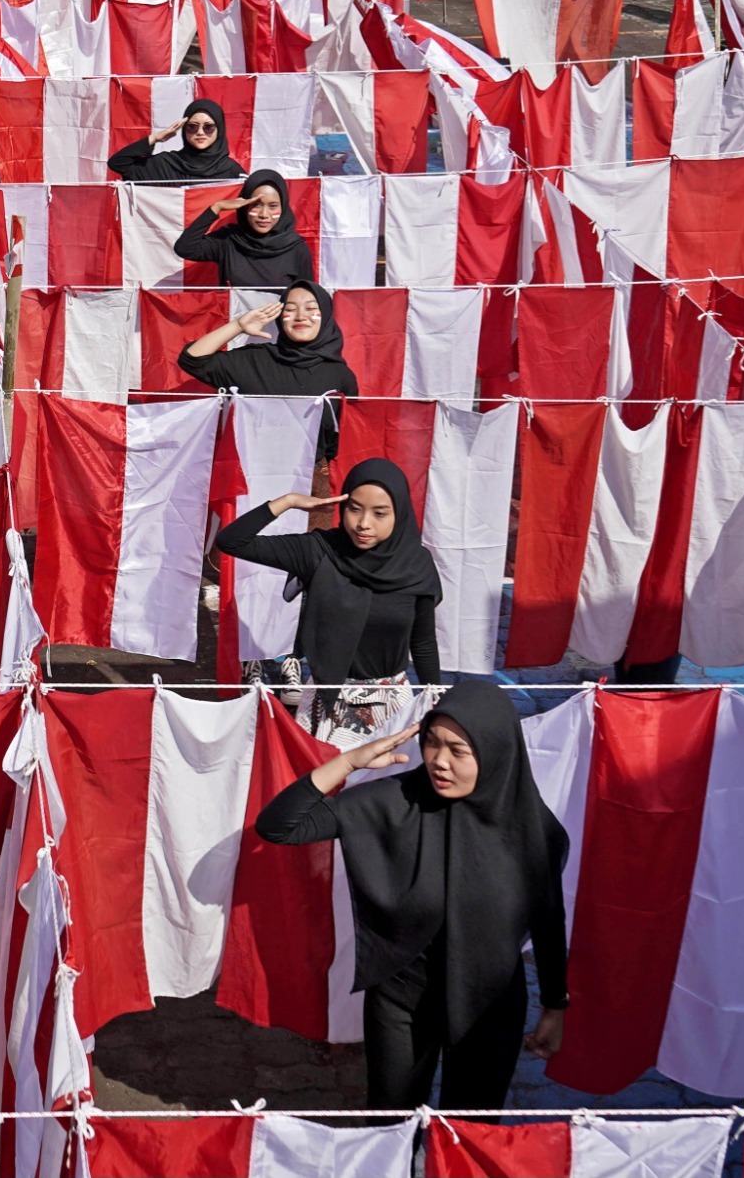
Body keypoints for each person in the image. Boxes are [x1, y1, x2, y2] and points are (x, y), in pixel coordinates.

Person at [254, 680, 569, 1112]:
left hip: (489, 1005)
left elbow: (549, 919)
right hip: (402, 1003)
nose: (439, 761)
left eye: (458, 751)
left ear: (495, 752)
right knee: (392, 1127)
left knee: (469, 1134)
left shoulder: (534, 831)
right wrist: (349, 761)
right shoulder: (395, 800)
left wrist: (554, 1004)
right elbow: (278, 826)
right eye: (432, 743)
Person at [214, 459, 442, 746]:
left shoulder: (416, 564)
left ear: (400, 514)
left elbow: (422, 642)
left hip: (391, 709)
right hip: (328, 706)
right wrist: (289, 501)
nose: (363, 524)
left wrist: (437, 701)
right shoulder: (321, 552)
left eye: (379, 513)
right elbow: (231, 542)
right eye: (354, 509)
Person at [179, 280, 356, 462]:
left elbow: (346, 442)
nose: (301, 316)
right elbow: (192, 359)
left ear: (326, 315)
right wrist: (238, 326)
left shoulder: (341, 376)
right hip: (250, 477)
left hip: (310, 484)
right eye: (290, 309)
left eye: (311, 309)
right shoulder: (254, 360)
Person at [173, 170, 314, 290]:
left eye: (273, 206)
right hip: (235, 321)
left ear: (283, 208)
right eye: (256, 205)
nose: (264, 215)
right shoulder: (228, 240)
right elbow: (185, 248)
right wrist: (216, 207)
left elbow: (305, 297)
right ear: (244, 206)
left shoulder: (297, 249)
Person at [107, 99, 246, 184]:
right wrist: (156, 138)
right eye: (192, 126)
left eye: (208, 127)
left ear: (219, 129)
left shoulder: (232, 171)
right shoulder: (166, 164)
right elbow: (118, 163)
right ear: (184, 129)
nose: (200, 132)